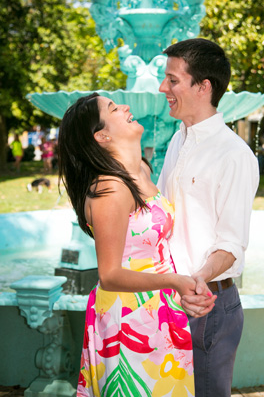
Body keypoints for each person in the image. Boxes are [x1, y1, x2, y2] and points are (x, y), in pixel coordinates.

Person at [57, 93, 203, 395]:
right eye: (113, 108)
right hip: (128, 317)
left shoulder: (143, 172)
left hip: (160, 308)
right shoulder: (109, 188)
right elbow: (109, 275)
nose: (125, 107)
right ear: (102, 135)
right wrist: (174, 280)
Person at [157, 38, 259, 397]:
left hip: (208, 307)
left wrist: (195, 280)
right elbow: (160, 214)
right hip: (171, 301)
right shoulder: (177, 140)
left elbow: (232, 245)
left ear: (203, 87)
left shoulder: (234, 155)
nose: (162, 88)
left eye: (172, 80)